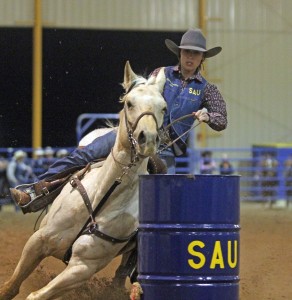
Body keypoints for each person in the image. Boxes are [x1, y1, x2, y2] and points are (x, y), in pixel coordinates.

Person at [10, 28, 227, 210]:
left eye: (195, 53)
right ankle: (36, 190)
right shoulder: (161, 74)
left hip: (166, 148)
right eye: (186, 52)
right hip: (133, 136)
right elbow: (141, 94)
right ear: (179, 53)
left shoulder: (207, 89)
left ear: (202, 58)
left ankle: (138, 251)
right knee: (86, 154)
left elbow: (221, 118)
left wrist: (208, 116)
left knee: (161, 197)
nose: (190, 56)